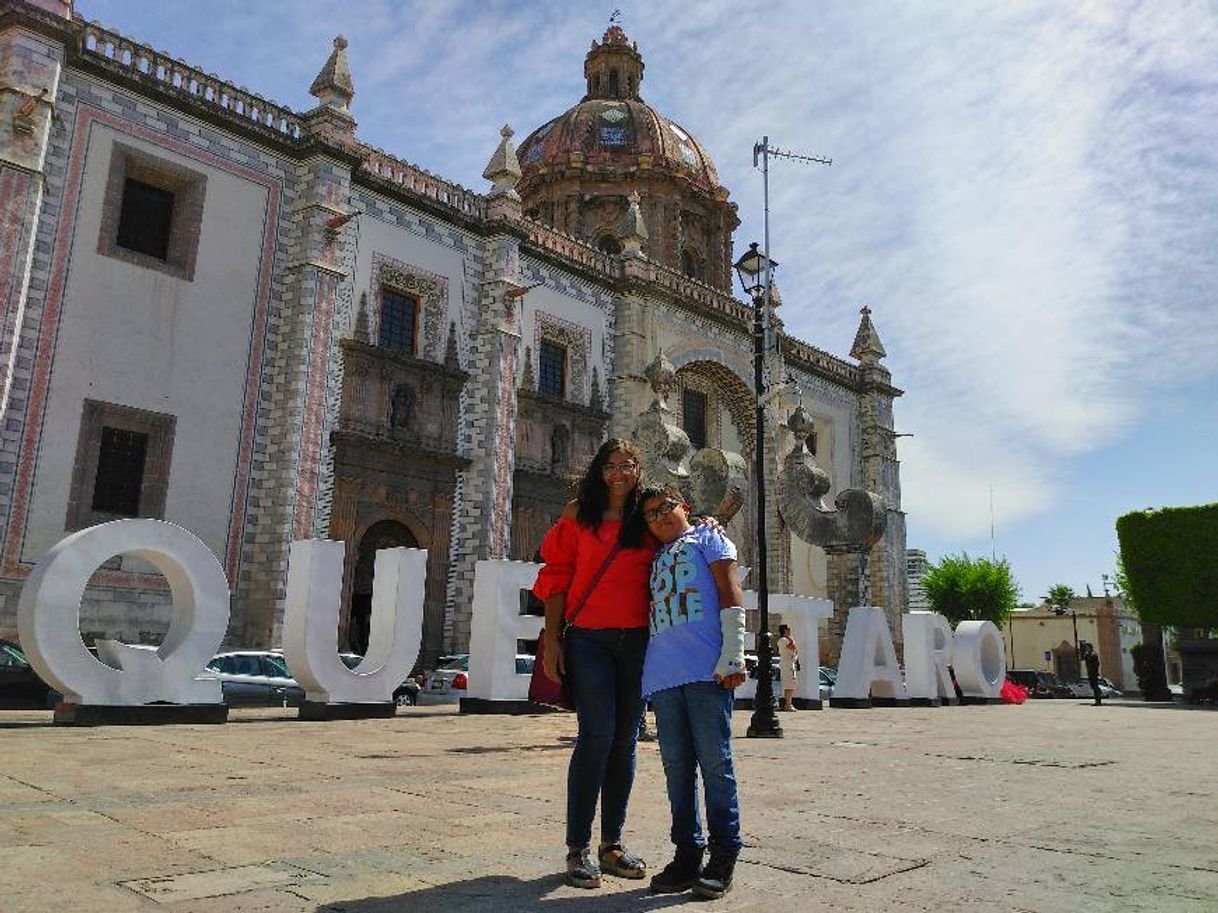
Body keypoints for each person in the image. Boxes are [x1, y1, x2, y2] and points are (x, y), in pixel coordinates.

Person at [533, 439, 654, 889]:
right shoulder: (576, 514)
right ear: (599, 470)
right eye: (611, 466)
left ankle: (612, 845)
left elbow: (681, 543)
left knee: (624, 741)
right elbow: (556, 575)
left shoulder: (649, 517)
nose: (619, 473)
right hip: (587, 641)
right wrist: (551, 643)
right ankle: (577, 847)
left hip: (638, 641)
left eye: (628, 465)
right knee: (596, 736)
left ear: (640, 470)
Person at [634, 483, 746, 900]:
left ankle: (723, 852)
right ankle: (687, 852)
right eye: (651, 514)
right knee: (676, 769)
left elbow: (728, 587)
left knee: (716, 765)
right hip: (664, 677)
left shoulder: (708, 536)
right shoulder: (654, 555)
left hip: (706, 672)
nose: (661, 517)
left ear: (684, 506)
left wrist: (734, 654)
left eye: (666, 507)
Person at [777, 623, 799, 711]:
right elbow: (792, 647)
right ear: (785, 630)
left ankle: (788, 703)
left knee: (791, 684)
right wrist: (791, 639)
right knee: (789, 684)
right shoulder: (783, 640)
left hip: (791, 663)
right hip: (787, 664)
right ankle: (788, 704)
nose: (790, 631)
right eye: (788, 629)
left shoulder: (787, 640)